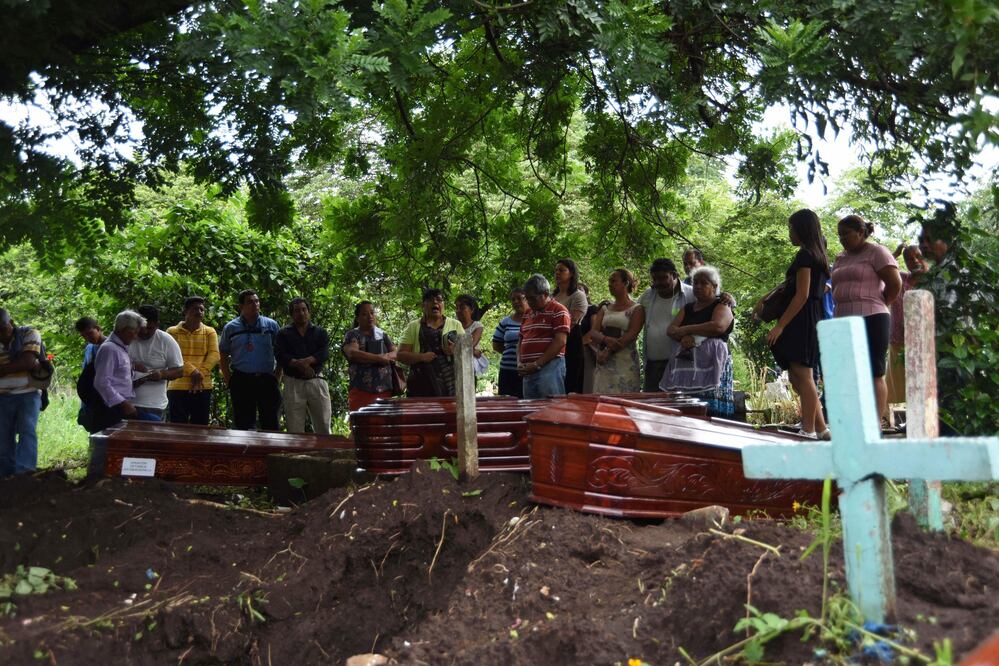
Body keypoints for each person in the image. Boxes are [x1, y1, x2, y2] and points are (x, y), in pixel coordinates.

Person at [762, 209, 830, 439]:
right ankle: (821, 429)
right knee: (797, 376)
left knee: (803, 375)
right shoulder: (817, 254)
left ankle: (808, 429)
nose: (789, 232)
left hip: (803, 318)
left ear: (802, 229)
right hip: (811, 315)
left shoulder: (805, 255)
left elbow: (802, 295)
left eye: (791, 227)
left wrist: (780, 325)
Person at [831, 215, 902, 427]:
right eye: (840, 235)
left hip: (872, 317)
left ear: (861, 232)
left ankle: (874, 423)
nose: (842, 238)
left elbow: (894, 283)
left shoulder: (877, 252)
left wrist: (881, 302)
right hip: (843, 318)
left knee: (874, 371)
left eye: (846, 234)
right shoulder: (840, 257)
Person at [660, 266, 736, 416]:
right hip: (686, 367)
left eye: (703, 283)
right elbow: (671, 330)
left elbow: (718, 326)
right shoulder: (688, 308)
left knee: (711, 412)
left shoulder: (721, 304)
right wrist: (684, 336)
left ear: (714, 286)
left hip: (711, 364)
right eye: (695, 283)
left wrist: (687, 330)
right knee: (685, 411)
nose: (698, 286)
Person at [90, 310, 159, 474]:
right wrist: (123, 402)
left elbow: (118, 377)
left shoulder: (121, 349)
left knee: (152, 425)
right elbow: (101, 382)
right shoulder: (109, 349)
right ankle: (98, 481)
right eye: (134, 332)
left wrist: (137, 378)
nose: (135, 337)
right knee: (106, 448)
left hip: (121, 405)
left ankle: (119, 478)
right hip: (111, 407)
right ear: (124, 330)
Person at [218, 290, 281, 431]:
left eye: (257, 301)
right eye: (250, 302)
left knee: (271, 423)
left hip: (267, 380)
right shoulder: (231, 328)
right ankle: (246, 452)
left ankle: (271, 452)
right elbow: (222, 354)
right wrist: (229, 380)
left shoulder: (271, 325)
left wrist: (277, 377)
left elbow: (280, 352)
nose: (255, 304)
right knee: (243, 425)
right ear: (241, 306)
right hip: (241, 380)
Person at [275, 298, 332, 434]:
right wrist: (297, 364)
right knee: (294, 427)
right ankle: (297, 455)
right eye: (297, 311)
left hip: (317, 381)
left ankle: (325, 454)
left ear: (309, 312)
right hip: (293, 382)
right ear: (292, 314)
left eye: (304, 309)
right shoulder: (283, 333)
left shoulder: (320, 332)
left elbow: (324, 353)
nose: (301, 313)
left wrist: (307, 361)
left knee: (323, 424)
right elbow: (280, 355)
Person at [638, 258, 694, 391]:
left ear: (674, 275)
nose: (658, 283)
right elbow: (630, 312)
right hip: (652, 365)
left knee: (678, 407)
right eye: (655, 279)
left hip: (681, 364)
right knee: (652, 407)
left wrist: (728, 298)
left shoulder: (691, 294)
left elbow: (711, 304)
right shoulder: (648, 295)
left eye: (663, 278)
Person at [397, 289, 465, 397]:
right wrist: (421, 357)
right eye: (430, 300)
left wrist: (455, 350)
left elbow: (466, 352)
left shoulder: (456, 325)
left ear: (443, 304)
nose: (435, 303)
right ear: (423, 305)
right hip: (420, 386)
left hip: (451, 385)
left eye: (439, 300)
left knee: (450, 413)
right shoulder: (413, 326)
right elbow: (400, 355)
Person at [0, 309, 43, 476]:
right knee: (3, 437)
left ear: (10, 323)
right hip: (2, 396)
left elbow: (28, 361)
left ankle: (24, 473)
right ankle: (5, 475)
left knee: (27, 431)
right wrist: (18, 365)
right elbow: (26, 363)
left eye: (4, 328)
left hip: (28, 392)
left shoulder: (30, 334)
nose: (3, 333)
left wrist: (3, 369)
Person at [588, 269, 645, 394]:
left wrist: (608, 351)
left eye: (614, 281)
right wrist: (605, 340)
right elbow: (593, 332)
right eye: (609, 281)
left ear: (626, 283)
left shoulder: (637, 309)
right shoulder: (605, 308)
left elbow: (631, 335)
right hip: (603, 362)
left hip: (624, 362)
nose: (610, 284)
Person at [885, 244, 928, 406]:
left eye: (918, 256)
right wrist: (894, 254)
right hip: (899, 341)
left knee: (923, 383)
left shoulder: (936, 282)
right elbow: (877, 271)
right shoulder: (900, 279)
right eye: (909, 259)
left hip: (925, 343)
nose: (915, 261)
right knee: (901, 385)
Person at [166, 296, 220, 425]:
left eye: (202, 309)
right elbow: (171, 356)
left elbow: (215, 355)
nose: (199, 312)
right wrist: (192, 371)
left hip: (202, 386)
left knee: (200, 428)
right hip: (177, 387)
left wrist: (199, 373)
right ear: (185, 311)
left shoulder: (209, 331)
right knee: (177, 427)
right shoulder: (172, 331)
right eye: (195, 309)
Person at [518, 274, 570, 399]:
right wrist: (519, 361)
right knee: (530, 410)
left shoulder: (559, 310)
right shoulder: (527, 313)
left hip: (550, 368)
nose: (529, 302)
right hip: (527, 370)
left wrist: (537, 364)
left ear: (545, 294)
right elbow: (521, 339)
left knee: (550, 409)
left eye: (533, 298)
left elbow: (560, 341)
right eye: (527, 298)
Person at [129, 305, 184, 421]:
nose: (145, 332)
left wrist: (162, 374)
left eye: (150, 328)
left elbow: (179, 371)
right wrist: (131, 367)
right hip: (126, 403)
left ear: (157, 325)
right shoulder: (126, 338)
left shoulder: (166, 340)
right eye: (142, 327)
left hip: (154, 405)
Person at [342, 301, 398, 411]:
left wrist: (387, 356)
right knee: (362, 425)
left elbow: (395, 352)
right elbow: (353, 353)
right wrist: (379, 358)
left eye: (372, 313)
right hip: (361, 390)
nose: (370, 316)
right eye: (365, 314)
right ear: (358, 318)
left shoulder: (382, 334)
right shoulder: (353, 334)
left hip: (384, 390)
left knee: (383, 426)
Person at [552, 259, 588, 394]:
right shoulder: (552, 296)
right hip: (553, 341)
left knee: (570, 383)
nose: (557, 273)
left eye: (562, 270)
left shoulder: (578, 295)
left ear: (571, 273)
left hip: (571, 341)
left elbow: (572, 321)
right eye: (556, 270)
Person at [491, 289, 528, 398]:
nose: (516, 302)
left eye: (519, 298)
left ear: (527, 299)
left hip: (527, 370)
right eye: (513, 299)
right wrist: (511, 353)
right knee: (506, 403)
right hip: (507, 370)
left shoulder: (534, 319)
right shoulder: (506, 321)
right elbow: (496, 344)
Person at [75, 317, 107, 428]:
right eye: (84, 336)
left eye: (90, 333)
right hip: (91, 400)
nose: (87, 338)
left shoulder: (111, 347)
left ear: (98, 329)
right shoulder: (89, 348)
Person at [455, 294, 488, 378]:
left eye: (462, 308)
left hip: (469, 368)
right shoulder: (452, 325)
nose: (458, 311)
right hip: (453, 367)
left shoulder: (477, 326)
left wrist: (456, 347)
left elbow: (469, 345)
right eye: (457, 307)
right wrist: (474, 352)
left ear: (472, 310)